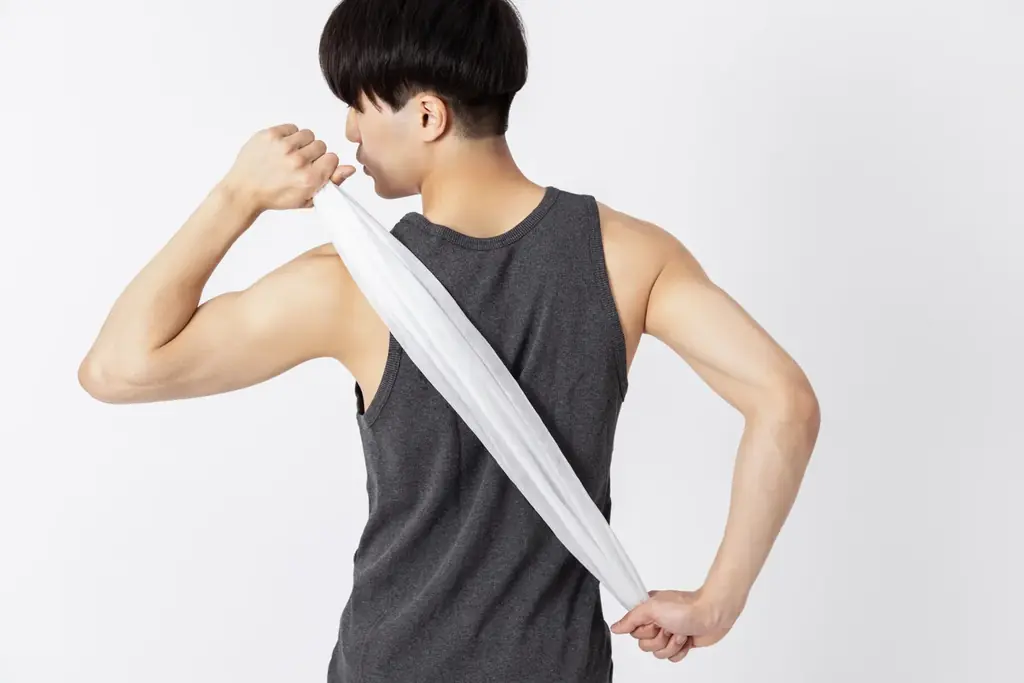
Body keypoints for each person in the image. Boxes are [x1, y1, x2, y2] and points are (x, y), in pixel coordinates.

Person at [78, 0, 821, 680]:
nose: (349, 130)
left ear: (428, 115)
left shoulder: (350, 283)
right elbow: (784, 399)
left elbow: (117, 368)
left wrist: (236, 195)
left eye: (359, 103)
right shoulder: (630, 256)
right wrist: (719, 600)